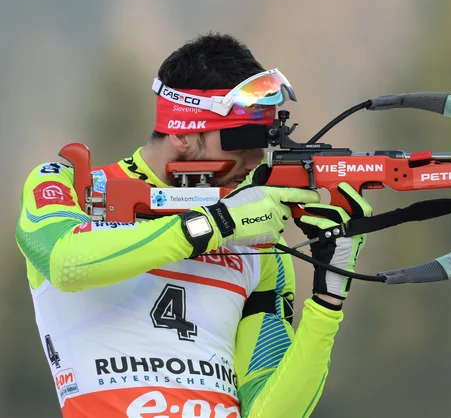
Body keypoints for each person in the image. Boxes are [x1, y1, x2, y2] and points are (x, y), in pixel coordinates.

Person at [15, 32, 371, 418]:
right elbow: (67, 263)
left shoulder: (257, 241)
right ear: (182, 132)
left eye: (265, 140)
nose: (256, 159)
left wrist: (327, 299)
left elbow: (270, 411)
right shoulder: (69, 185)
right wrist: (216, 223)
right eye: (241, 139)